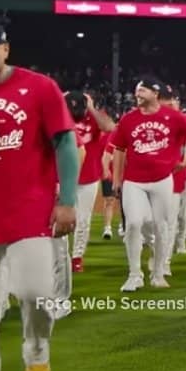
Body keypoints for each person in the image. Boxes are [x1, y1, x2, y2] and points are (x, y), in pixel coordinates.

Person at [0, 16, 78, 371]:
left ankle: (37, 357)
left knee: (37, 294)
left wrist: (68, 199)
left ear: (6, 49)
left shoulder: (40, 88)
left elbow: (65, 143)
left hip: (29, 213)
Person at [111, 77, 186, 292]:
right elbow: (119, 149)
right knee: (132, 224)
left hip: (162, 180)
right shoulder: (128, 119)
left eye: (142, 90)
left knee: (161, 226)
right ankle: (134, 275)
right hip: (134, 180)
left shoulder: (173, 116)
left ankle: (158, 273)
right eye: (136, 91)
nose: (137, 94)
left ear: (155, 93)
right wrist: (116, 178)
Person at [66, 90, 115, 273]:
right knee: (58, 219)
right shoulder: (60, 117)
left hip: (88, 177)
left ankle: (77, 257)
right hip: (61, 176)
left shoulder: (92, 118)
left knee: (83, 220)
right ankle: (61, 255)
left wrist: (93, 109)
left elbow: (110, 127)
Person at [161, 88, 186, 266]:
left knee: (184, 210)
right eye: (167, 99)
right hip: (164, 173)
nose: (171, 103)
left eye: (173, 99)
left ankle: (181, 239)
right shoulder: (158, 119)